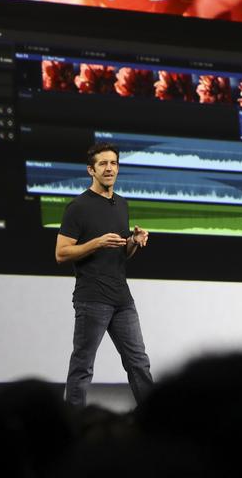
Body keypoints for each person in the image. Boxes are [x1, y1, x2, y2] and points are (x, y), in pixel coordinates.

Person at [56, 141, 153, 407]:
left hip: (122, 299)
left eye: (113, 163)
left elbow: (122, 253)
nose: (109, 168)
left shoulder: (121, 204)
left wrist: (133, 240)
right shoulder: (78, 207)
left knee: (138, 363)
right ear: (91, 170)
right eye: (103, 164)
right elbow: (61, 253)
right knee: (83, 366)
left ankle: (157, 421)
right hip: (92, 298)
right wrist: (95, 243)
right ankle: (72, 425)